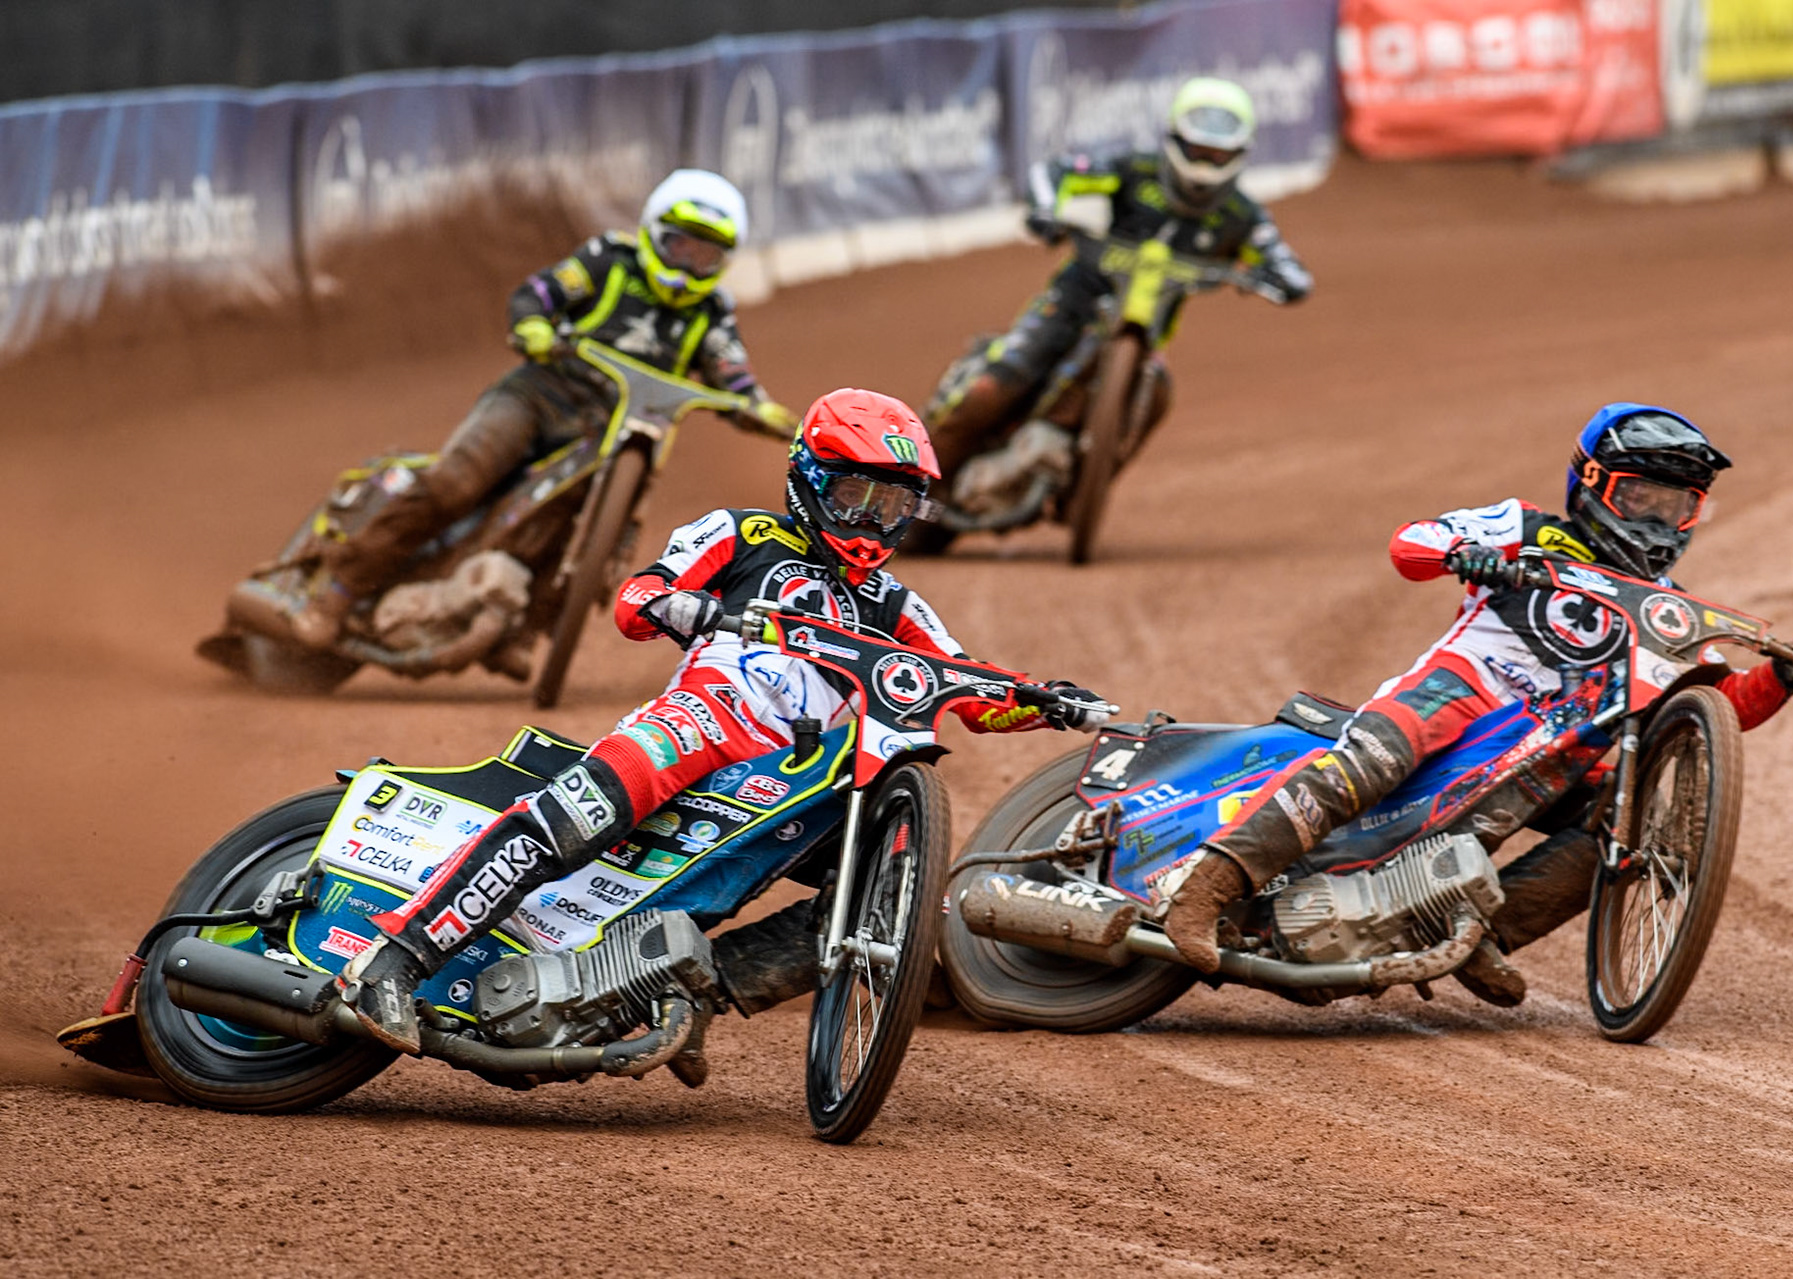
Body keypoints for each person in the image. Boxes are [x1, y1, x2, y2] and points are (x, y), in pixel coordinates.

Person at [336, 388, 1112, 1053]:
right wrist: (687, 603)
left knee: (887, 889)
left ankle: (685, 995)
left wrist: (1046, 699)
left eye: (894, 504)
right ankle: (390, 965)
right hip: (700, 721)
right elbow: (637, 599)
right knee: (571, 817)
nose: (873, 520)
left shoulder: (900, 605)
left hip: (795, 778)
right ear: (811, 479)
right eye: (855, 497)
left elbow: (969, 689)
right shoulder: (744, 534)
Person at [1160, 404, 1793, 1004]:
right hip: (1462, 688)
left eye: (1676, 506)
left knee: (1622, 822)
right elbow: (1409, 544)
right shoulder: (1526, 526)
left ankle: (1482, 933)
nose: (1660, 521)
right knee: (1377, 755)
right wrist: (1467, 551)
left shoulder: (1668, 609)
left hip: (1547, 747)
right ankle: (1209, 887)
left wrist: (1779, 677)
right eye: (1642, 498)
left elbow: (1719, 705)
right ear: (1593, 485)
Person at [292, 168, 794, 649]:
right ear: (654, 234)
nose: (688, 265)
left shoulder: (713, 314)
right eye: (681, 245)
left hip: (616, 433)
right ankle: (339, 592)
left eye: (705, 255)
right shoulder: (609, 259)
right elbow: (540, 292)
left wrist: (760, 409)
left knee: (591, 528)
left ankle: (527, 628)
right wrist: (535, 326)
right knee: (457, 482)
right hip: (542, 395)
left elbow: (732, 374)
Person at [918, 76, 1314, 511]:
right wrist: (1047, 209)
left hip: (1144, 340)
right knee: (996, 384)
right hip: (1072, 303)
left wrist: (1282, 279)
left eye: (1218, 153)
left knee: (1157, 397)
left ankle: (1083, 492)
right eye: (1199, 149)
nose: (1206, 162)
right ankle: (909, 486)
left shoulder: (1241, 214)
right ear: (1175, 139)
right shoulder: (1131, 171)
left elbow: (1281, 259)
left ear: (1240, 153)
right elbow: (1056, 173)